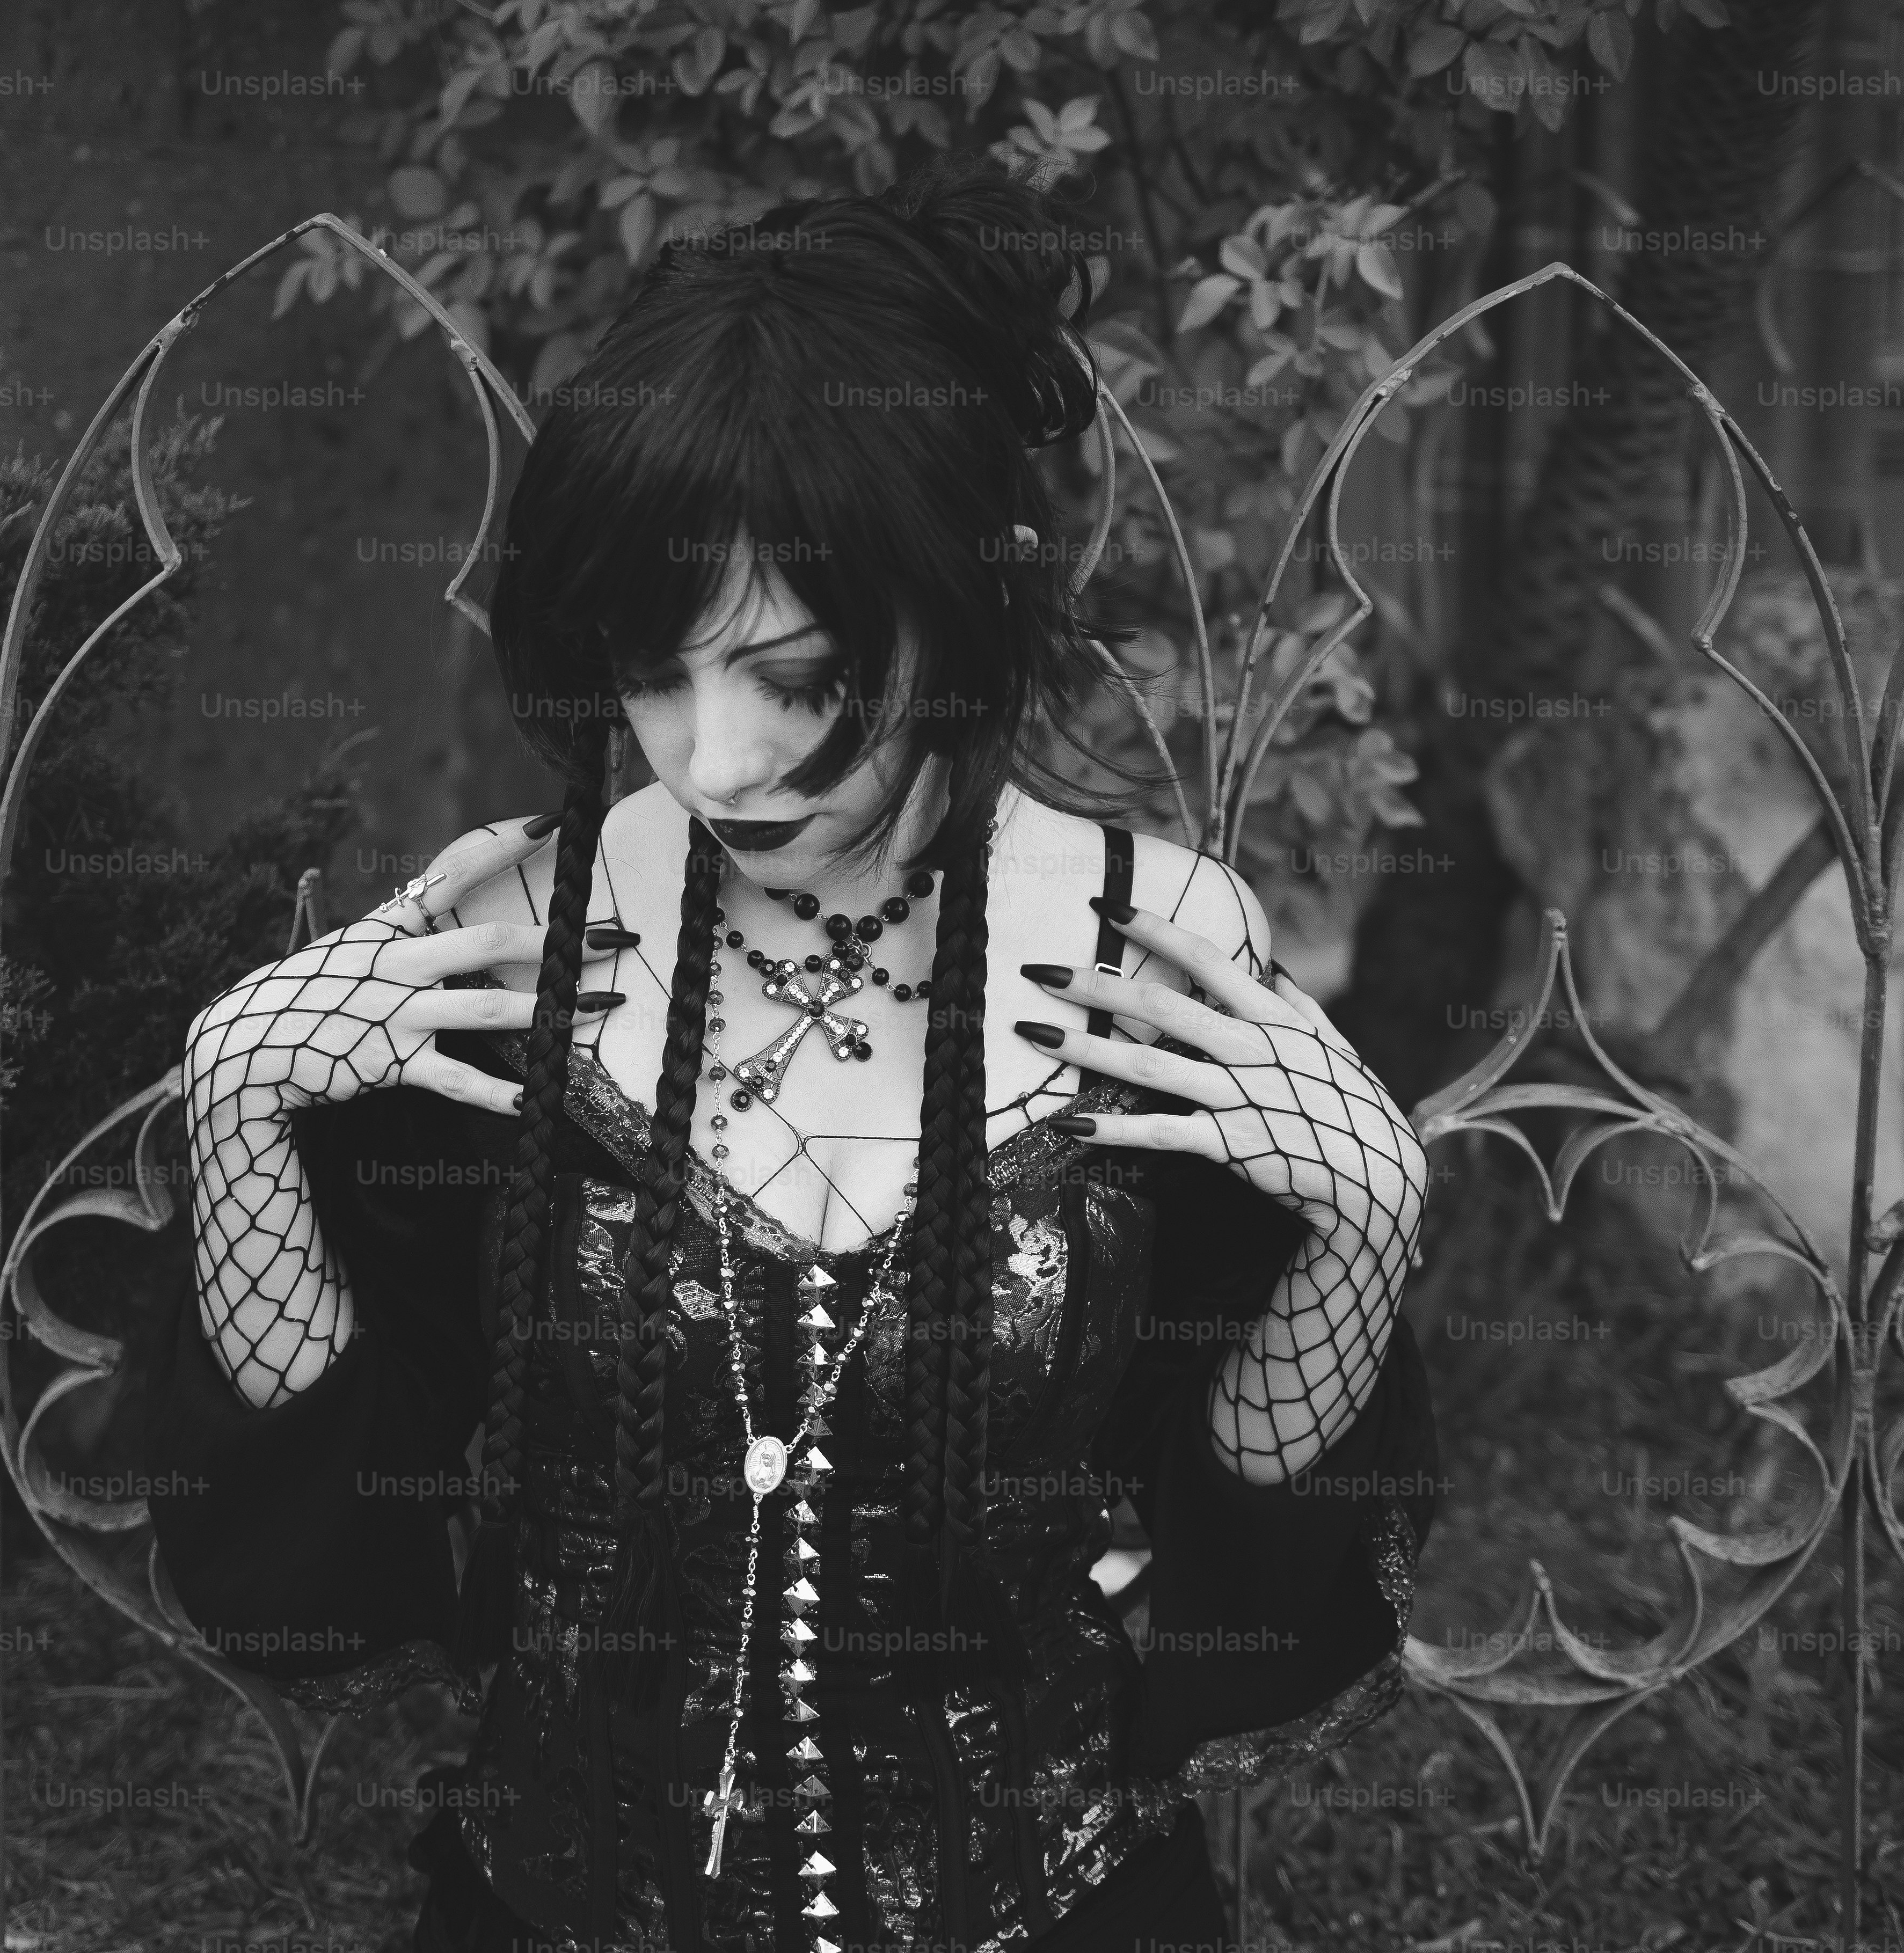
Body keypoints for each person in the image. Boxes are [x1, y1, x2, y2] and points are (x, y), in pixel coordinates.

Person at [139, 151, 1441, 1953]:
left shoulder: (1162, 952)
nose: (713, 760)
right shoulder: (506, 946)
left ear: (958, 609)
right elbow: (331, 1584)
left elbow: (1234, 1605)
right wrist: (240, 1121)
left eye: (800, 675)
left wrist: (1365, 1228)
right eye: (656, 673)